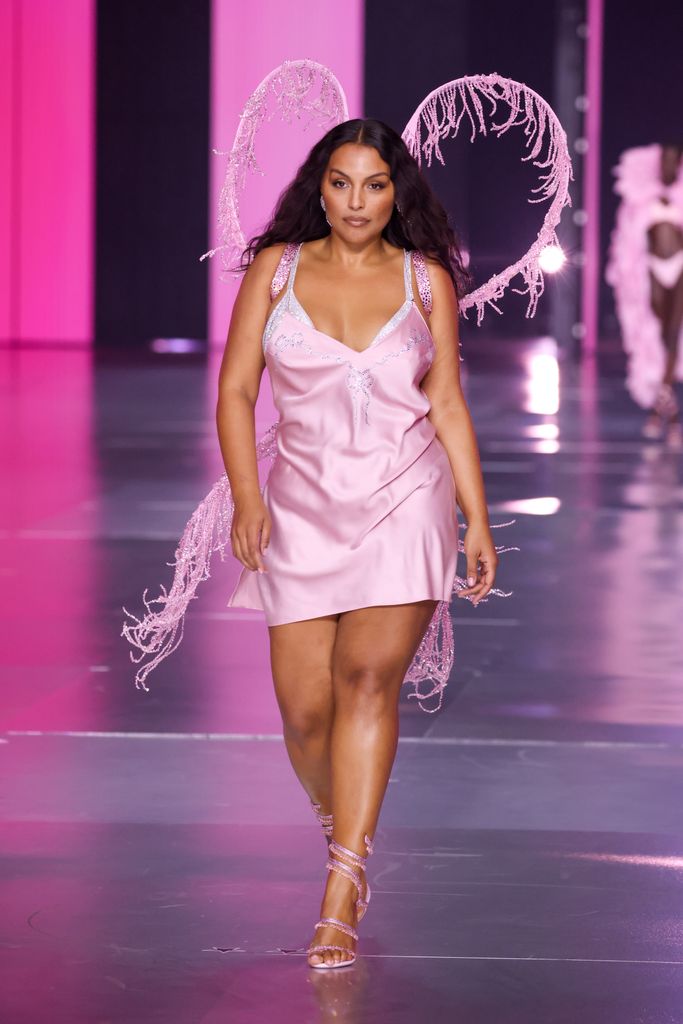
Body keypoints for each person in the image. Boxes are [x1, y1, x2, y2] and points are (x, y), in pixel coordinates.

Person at [215, 118, 498, 969]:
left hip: (404, 500)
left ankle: (342, 885)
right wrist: (246, 497)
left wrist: (476, 516)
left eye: (375, 185)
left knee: (367, 680)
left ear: (396, 193)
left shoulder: (424, 282)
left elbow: (445, 401)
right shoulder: (277, 272)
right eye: (341, 183)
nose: (356, 201)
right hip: (299, 509)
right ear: (320, 186)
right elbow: (234, 391)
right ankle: (347, 825)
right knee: (305, 715)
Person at [607, 143, 683, 447]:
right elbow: (627, 242)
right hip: (652, 269)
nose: (669, 166)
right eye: (665, 160)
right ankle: (673, 416)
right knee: (658, 335)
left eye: (674, 161)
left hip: (680, 267)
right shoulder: (639, 199)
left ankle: (659, 411)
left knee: (673, 334)